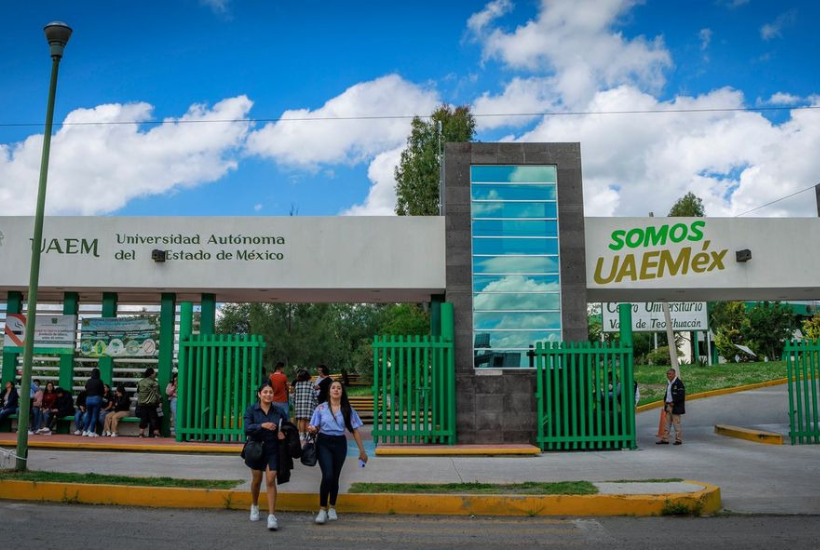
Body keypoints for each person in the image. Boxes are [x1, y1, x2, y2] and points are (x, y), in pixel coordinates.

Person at [307, 380, 368, 524]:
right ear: (329, 391)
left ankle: (332, 507)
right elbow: (314, 426)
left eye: (339, 388)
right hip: (324, 442)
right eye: (333, 388)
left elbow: (355, 430)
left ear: (342, 392)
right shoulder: (321, 408)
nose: (336, 390)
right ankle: (322, 509)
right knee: (327, 475)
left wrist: (362, 451)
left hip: (340, 444)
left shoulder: (347, 409)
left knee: (335, 477)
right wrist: (313, 429)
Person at [243, 383, 286, 532]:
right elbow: (247, 428)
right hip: (256, 448)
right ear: (259, 394)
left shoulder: (279, 411)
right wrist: (262, 425)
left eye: (271, 392)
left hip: (273, 449)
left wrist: (283, 434)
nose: (268, 394)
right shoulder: (251, 410)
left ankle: (272, 516)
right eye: (265, 392)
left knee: (270, 479)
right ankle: (254, 505)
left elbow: (287, 427)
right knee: (257, 480)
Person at [657, 368, 685, 445]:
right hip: (668, 405)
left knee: (676, 424)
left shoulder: (678, 383)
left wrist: (674, 402)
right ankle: (665, 439)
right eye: (667, 374)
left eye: (669, 374)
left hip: (675, 406)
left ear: (674, 374)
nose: (668, 375)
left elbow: (681, 395)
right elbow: (668, 394)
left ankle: (678, 440)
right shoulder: (669, 383)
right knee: (666, 424)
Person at [293, 369, 317, 442]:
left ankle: (301, 435)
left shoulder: (297, 384)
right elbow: (314, 396)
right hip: (309, 405)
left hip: (299, 405)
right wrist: (316, 404)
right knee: (308, 420)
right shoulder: (311, 384)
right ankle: (308, 435)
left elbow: (295, 396)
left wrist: (295, 404)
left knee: (301, 420)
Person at [136, 367, 161, 438]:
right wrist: (160, 401)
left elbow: (138, 391)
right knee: (153, 418)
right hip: (151, 403)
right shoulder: (154, 382)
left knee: (143, 418)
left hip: (142, 404)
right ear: (151, 374)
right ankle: (156, 433)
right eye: (154, 372)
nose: (155, 373)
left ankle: (141, 433)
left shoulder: (140, 382)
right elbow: (157, 394)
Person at [83, 368, 105, 437]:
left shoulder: (88, 381)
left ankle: (85, 431)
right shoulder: (99, 381)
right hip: (96, 399)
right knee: (94, 415)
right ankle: (91, 431)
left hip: (88, 399)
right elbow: (102, 391)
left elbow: (86, 388)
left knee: (89, 415)